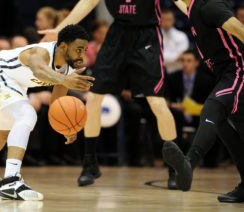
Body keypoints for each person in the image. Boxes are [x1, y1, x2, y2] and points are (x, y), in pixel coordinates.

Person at [40, 0, 179, 189]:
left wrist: (205, 19)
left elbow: (185, 3)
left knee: (156, 102)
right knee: (94, 98)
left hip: (147, 36)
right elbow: (88, 3)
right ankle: (89, 164)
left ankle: (174, 167)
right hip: (117, 35)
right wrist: (59, 29)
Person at [0, 24, 94, 201]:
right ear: (63, 46)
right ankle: (11, 181)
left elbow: (57, 105)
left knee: (4, 131)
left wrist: (67, 127)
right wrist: (66, 80)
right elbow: (39, 70)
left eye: (84, 50)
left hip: (14, 82)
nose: (82, 55)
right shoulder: (42, 52)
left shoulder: (68, 68)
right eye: (78, 49)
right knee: (27, 115)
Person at [163, 0, 244, 203]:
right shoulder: (193, 8)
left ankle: (189, 163)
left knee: (212, 107)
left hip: (239, 69)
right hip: (224, 73)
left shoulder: (210, 6)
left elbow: (238, 28)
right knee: (224, 127)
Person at [161, 8, 189, 73]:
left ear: (173, 20)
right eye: (164, 20)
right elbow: (154, 57)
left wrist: (163, 59)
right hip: (159, 73)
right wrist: (175, 58)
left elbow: (183, 57)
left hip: (177, 72)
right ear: (159, 20)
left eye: (169, 20)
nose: (166, 22)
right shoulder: (155, 36)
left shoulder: (182, 36)